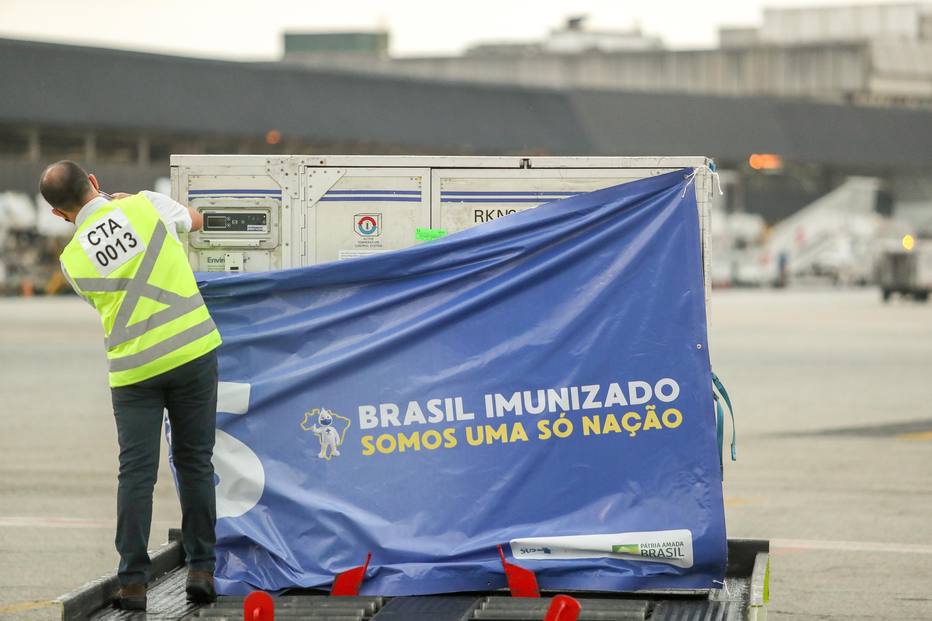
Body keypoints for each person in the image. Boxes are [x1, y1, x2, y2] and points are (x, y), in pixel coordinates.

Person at [40, 160, 221, 611]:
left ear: (60, 215)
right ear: (95, 183)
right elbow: (196, 220)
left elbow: (106, 293)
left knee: (136, 474)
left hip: (134, 372)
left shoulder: (72, 261)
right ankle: (201, 568)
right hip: (192, 352)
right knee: (195, 461)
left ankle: (134, 582)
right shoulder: (145, 206)